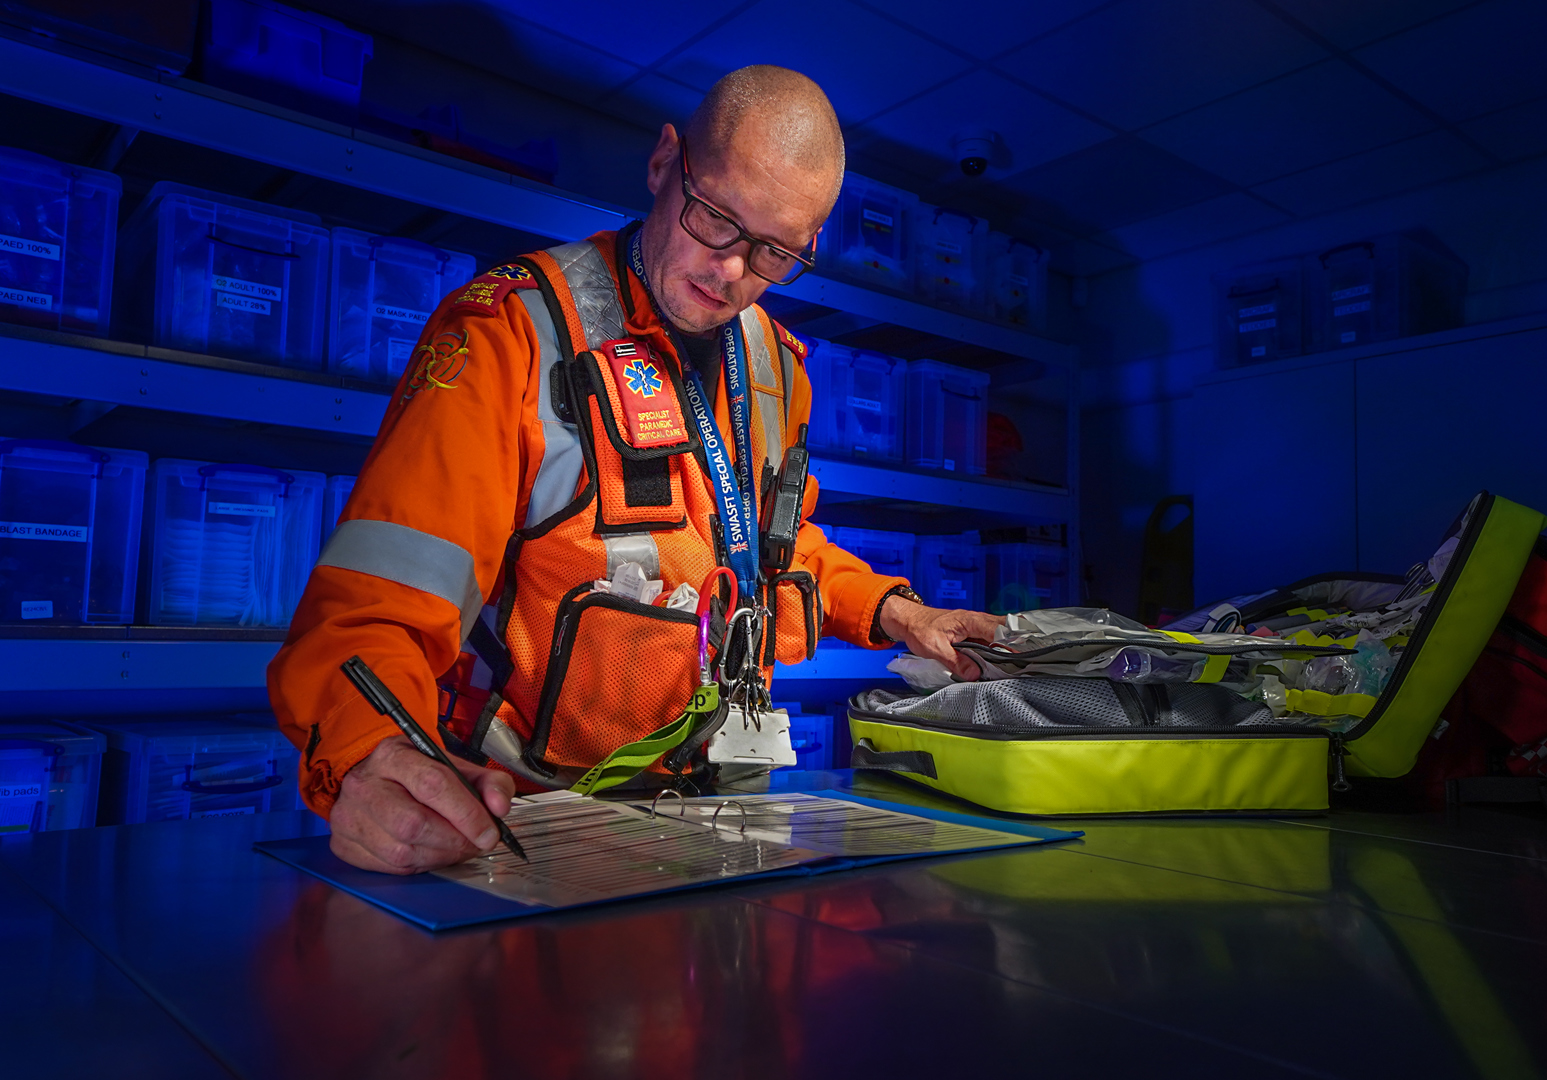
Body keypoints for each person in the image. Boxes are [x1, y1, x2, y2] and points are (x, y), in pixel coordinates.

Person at [267, 66, 1003, 876]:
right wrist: (368, 757)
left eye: (774, 251)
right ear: (664, 164)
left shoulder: (777, 369)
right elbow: (377, 607)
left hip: (716, 821)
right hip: (524, 826)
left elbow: (768, 547)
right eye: (716, 217)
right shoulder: (510, 331)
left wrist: (898, 612)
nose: (731, 271)